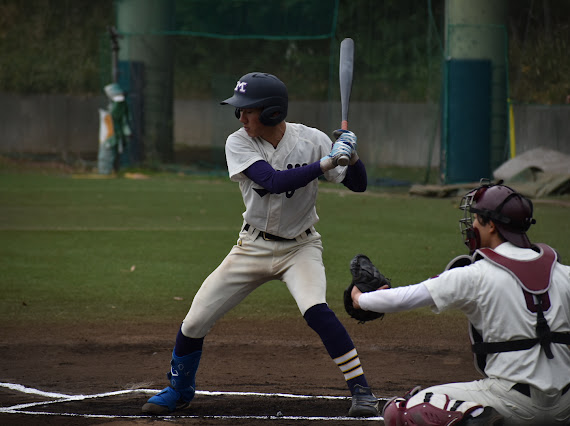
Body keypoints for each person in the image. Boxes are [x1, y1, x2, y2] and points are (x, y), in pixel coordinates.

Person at [142, 72, 379, 417]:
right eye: (238, 110)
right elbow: (273, 180)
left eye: (248, 110)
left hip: (300, 248)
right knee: (194, 322)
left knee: (316, 311)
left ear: (271, 112)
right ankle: (179, 390)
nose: (241, 117)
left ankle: (362, 391)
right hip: (251, 246)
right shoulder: (238, 142)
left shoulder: (311, 139)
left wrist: (352, 157)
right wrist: (328, 161)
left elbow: (358, 185)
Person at [350, 180, 570, 425]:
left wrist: (360, 299)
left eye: (476, 218)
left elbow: (404, 298)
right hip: (566, 408)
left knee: (403, 410)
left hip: (512, 404)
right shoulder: (563, 273)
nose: (472, 225)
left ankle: (474, 419)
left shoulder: (475, 275)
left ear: (492, 226)